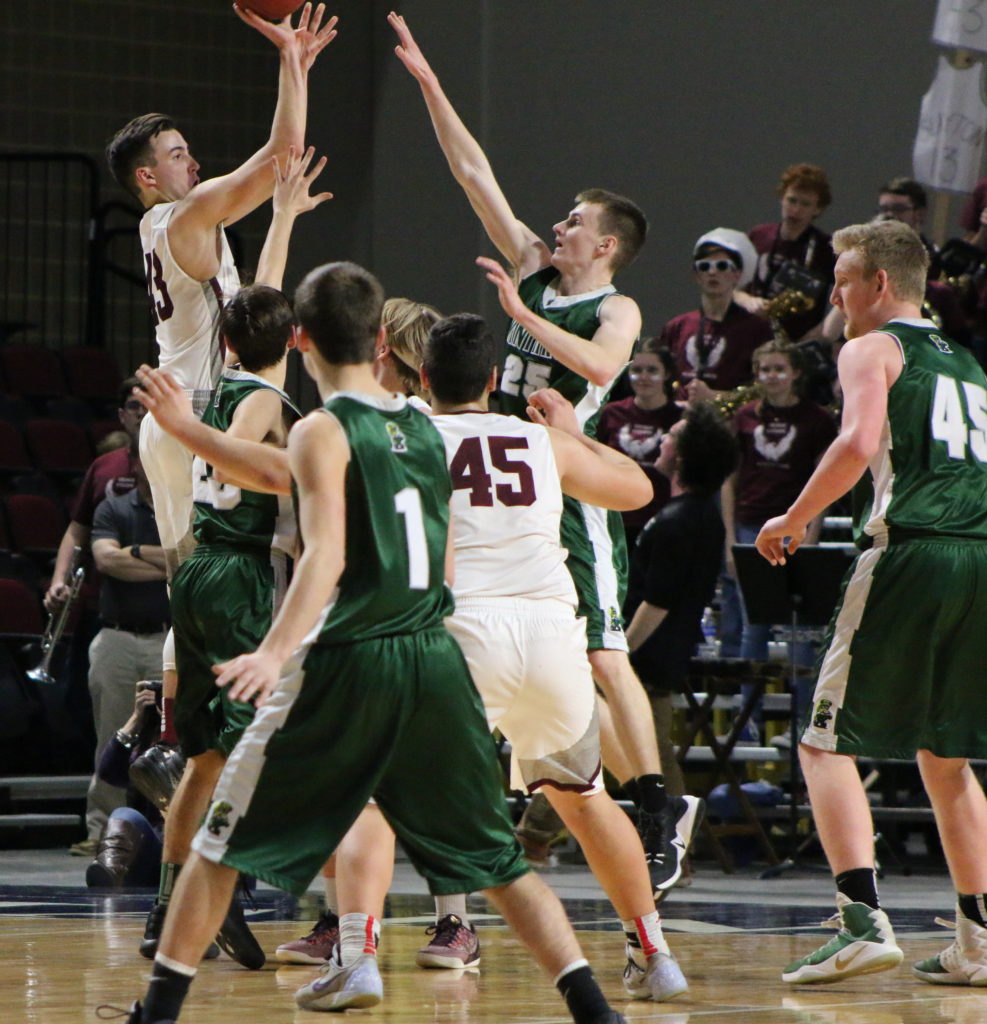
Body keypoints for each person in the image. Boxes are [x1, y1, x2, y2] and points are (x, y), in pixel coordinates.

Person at [113, 261, 626, 1024]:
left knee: (221, 839)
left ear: (299, 337)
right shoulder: (421, 424)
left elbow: (320, 552)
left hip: (352, 656)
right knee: (496, 860)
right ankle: (594, 1009)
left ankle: (156, 1014)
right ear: (384, 339)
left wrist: (272, 650)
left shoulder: (324, 425)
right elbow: (416, 538)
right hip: (433, 653)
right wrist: (192, 431)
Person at [389, 12, 692, 893]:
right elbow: (472, 172)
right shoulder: (528, 260)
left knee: (603, 652)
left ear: (603, 247)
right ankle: (519, 800)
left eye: (573, 221)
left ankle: (655, 803)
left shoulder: (615, 307)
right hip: (501, 481)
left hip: (567, 480)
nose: (554, 225)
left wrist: (520, 322)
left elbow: (602, 367)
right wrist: (430, 85)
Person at [411, 312, 686, 1000]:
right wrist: (570, 433)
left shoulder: (409, 436)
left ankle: (360, 948)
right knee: (587, 801)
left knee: (382, 798)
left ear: (422, 379)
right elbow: (638, 488)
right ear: (493, 380)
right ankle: (653, 951)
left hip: (464, 629)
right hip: (548, 631)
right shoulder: (535, 439)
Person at [756, 218, 987, 986]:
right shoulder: (972, 369)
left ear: (879, 286)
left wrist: (793, 518)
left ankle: (860, 921)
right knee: (946, 757)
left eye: (842, 279)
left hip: (911, 549)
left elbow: (857, 443)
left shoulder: (870, 348)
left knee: (822, 743)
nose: (832, 294)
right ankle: (979, 937)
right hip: (980, 559)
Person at [105, 3, 336, 763]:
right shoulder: (184, 216)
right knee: (230, 575)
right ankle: (190, 729)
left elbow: (256, 316)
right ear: (149, 177)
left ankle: (164, 721)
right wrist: (291, 63)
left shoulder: (189, 234)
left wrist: (283, 220)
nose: (193, 162)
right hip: (199, 417)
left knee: (194, 581)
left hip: (180, 417)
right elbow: (283, 151)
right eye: (178, 154)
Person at [134, 146, 329, 968]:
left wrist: (281, 217)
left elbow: (260, 298)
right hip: (237, 574)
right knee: (259, 753)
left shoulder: (231, 374)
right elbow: (238, 457)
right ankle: (225, 891)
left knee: (209, 756)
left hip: (204, 568)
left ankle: (166, 906)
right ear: (293, 334)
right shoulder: (256, 403)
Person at [624, 403, 738, 828]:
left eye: (671, 435)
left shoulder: (679, 520)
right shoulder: (695, 515)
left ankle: (674, 847)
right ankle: (534, 834)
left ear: (684, 457)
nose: (662, 439)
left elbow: (659, 601)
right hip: (662, 654)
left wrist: (621, 651)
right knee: (631, 752)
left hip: (650, 658)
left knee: (650, 757)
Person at [720, 340, 837, 689]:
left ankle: (801, 721)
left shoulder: (817, 419)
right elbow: (730, 479)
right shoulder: (743, 417)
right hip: (749, 524)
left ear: (796, 373)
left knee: (800, 630)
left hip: (795, 526)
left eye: (779, 369)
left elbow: (825, 480)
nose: (772, 377)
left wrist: (811, 535)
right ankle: (746, 722)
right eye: (765, 370)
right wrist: (729, 538)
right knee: (753, 624)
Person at [84, 461, 170, 847]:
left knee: (168, 737)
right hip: (116, 637)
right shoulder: (113, 508)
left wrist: (133, 553)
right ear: (138, 468)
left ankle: (164, 827)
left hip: (167, 638)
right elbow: (107, 560)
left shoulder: (179, 510)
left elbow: (186, 558)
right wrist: (166, 565)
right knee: (112, 732)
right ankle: (102, 830)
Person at [659, 229, 772, 405]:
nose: (712, 273)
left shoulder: (757, 330)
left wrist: (713, 396)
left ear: (737, 274)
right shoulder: (676, 326)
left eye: (722, 266)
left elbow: (767, 390)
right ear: (696, 276)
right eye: (704, 267)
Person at [596, 339, 681, 550]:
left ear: (667, 374)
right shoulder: (611, 412)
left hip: (662, 519)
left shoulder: (679, 417)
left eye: (652, 370)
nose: (643, 377)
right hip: (616, 518)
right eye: (636, 370)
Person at [739, 163, 836, 343]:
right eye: (792, 200)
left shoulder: (825, 247)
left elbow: (847, 298)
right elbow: (730, 286)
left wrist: (821, 333)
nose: (796, 209)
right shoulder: (758, 236)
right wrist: (747, 301)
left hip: (799, 342)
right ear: (781, 198)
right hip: (751, 334)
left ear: (818, 209)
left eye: (805, 204)